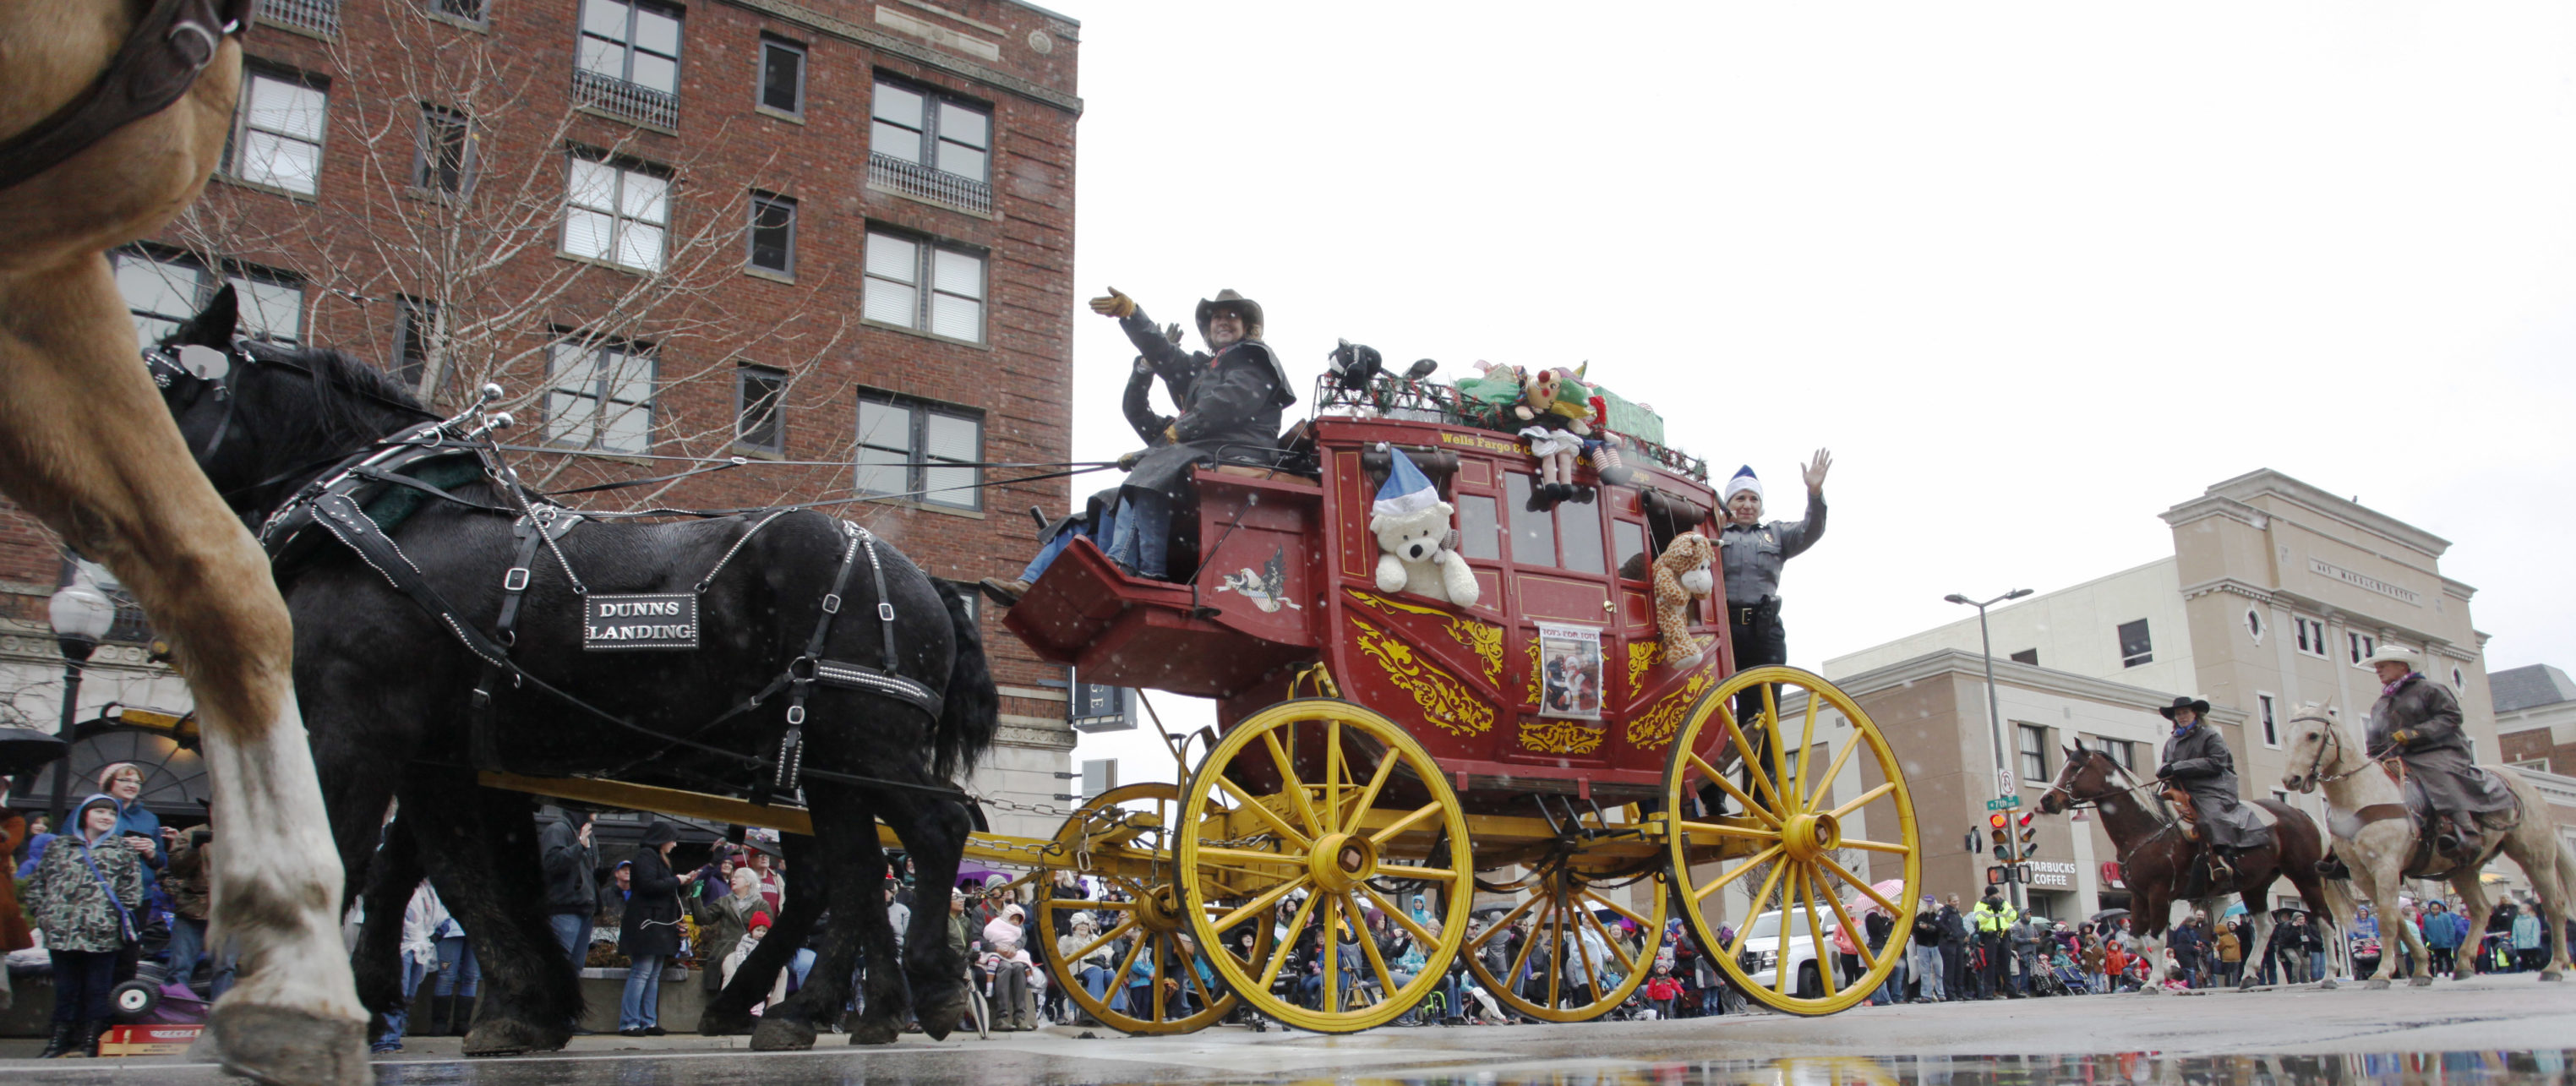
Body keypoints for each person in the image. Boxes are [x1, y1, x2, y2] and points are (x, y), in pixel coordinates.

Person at [1079, 287, 1294, 581]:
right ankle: (1092, 568)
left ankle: (1146, 570)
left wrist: (1180, 430)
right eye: (1216, 317)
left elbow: (1229, 401)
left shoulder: (1254, 358)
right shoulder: (1205, 368)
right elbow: (1165, 356)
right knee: (1108, 500)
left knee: (1152, 470)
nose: (1223, 321)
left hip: (1238, 452)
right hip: (1201, 450)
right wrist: (1132, 315)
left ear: (1247, 327)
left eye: (1232, 316)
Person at [1712, 451, 1830, 804]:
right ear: (1728, 503)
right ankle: (1711, 792)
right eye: (1739, 498)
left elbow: (1813, 529)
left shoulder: (1776, 535)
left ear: (1761, 506)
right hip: (1723, 632)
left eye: (1753, 499)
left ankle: (1761, 795)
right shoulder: (1713, 530)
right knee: (1718, 715)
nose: (1747, 505)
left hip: (1765, 634)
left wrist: (1815, 494)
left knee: (1763, 717)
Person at [2362, 646, 2516, 862]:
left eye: (2383, 665)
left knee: (2434, 771)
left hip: (2439, 751)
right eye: (2376, 667)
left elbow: (2451, 717)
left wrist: (2415, 733)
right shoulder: (2381, 704)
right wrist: (2374, 761)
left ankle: (2465, 830)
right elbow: (2375, 739)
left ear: (2402, 666)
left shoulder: (2429, 689)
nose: (2378, 670)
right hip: (2398, 758)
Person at [25, 794, 144, 1058]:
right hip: (61, 932)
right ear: (84, 814)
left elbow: (132, 892)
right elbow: (38, 884)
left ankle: (92, 1040)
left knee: (98, 989)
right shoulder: (60, 846)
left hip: (102, 934)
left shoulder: (122, 849)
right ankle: (58, 1040)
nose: (106, 817)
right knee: (66, 988)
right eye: (100, 811)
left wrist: (108, 917)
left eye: (111, 813)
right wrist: (45, 914)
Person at [2154, 696, 2270, 881]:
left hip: (2213, 788)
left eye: (2185, 712)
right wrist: (2164, 771)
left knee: (2211, 817)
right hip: (2182, 789)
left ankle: (2224, 857)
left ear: (2194, 714)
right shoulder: (2172, 742)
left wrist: (2177, 767)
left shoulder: (2210, 735)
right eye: (2178, 714)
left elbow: (2217, 761)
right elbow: (2165, 764)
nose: (2182, 716)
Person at [617, 821, 683, 1037]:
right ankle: (630, 1022)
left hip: (657, 922)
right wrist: (676, 880)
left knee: (652, 974)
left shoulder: (655, 857)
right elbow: (647, 885)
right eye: (672, 839)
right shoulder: (647, 855)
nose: (674, 844)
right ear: (662, 839)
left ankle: (648, 1020)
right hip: (647, 922)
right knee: (642, 972)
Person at [373, 882, 447, 1053]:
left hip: (419, 946)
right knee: (397, 991)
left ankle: (395, 1037)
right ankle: (385, 1040)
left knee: (409, 994)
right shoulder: (398, 887)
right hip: (400, 946)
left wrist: (438, 933)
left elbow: (443, 916)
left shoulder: (429, 891)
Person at [540, 808, 599, 968]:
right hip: (564, 909)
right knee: (559, 967)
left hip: (584, 909)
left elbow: (590, 872)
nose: (598, 811)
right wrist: (579, 847)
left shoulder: (587, 833)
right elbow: (551, 863)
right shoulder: (558, 830)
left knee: (576, 967)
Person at [691, 867, 762, 999]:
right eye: (733, 876)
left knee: (782, 973)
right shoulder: (724, 901)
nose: (733, 879)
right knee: (732, 969)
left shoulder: (760, 904)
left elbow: (766, 929)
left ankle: (770, 1011)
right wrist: (696, 896)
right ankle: (725, 1010)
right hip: (728, 949)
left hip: (753, 948)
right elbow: (703, 919)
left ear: (748, 882)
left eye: (738, 877)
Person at [722, 911, 788, 1011]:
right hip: (747, 971)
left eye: (764, 931)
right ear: (751, 931)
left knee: (782, 972)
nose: (761, 933)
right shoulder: (745, 943)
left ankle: (772, 1010)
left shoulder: (770, 945)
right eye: (758, 930)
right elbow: (741, 956)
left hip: (763, 975)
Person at [1969, 891, 2016, 999]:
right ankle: (1989, 992)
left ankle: (2011, 991)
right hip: (1990, 936)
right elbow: (1981, 918)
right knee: (1989, 964)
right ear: (1990, 895)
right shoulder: (1981, 904)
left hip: (2003, 935)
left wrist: (2001, 908)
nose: (1997, 896)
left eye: (1998, 894)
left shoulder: (2004, 903)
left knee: (2005, 964)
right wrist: (1990, 909)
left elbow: (2012, 916)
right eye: (1995, 895)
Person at [1908, 898, 1944, 1002]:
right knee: (1925, 972)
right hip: (1922, 945)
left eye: (1931, 904)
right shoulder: (1919, 917)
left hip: (1935, 945)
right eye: (1927, 904)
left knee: (1939, 971)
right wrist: (1921, 928)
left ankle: (1941, 993)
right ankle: (1926, 994)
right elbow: (1913, 928)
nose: (1929, 906)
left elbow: (1939, 928)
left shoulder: (1937, 916)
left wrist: (1927, 927)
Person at [1937, 894, 1968, 1001]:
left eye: (1957, 900)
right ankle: (1950, 994)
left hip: (1958, 942)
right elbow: (1938, 923)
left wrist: (1963, 933)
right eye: (1954, 901)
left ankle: (1960, 993)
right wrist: (1949, 932)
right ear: (1948, 901)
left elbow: (1960, 926)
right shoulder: (1944, 911)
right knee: (1949, 969)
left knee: (1959, 968)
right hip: (1948, 943)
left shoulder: (1957, 913)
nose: (1956, 903)